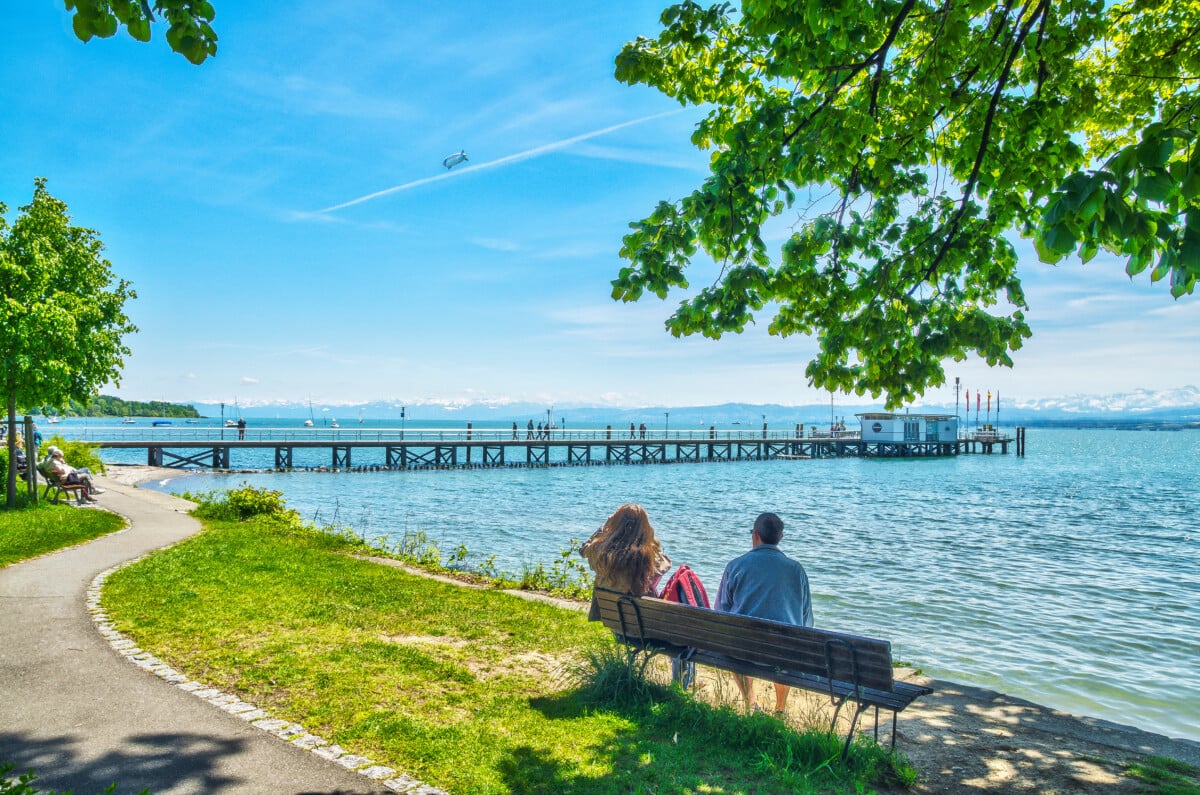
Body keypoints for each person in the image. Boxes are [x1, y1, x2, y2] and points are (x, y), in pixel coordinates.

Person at [715, 511, 813, 714]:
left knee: (735, 640)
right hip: (784, 655)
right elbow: (806, 621)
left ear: (755, 535)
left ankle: (750, 703)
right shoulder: (797, 570)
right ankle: (780, 708)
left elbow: (720, 613)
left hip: (744, 652)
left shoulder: (735, 566)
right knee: (789, 642)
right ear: (780, 539)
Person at [580, 503, 671, 621]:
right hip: (641, 622)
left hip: (612, 619)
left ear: (614, 523)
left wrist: (603, 528)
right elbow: (666, 564)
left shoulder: (599, 552)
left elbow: (583, 550)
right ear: (645, 527)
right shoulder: (651, 557)